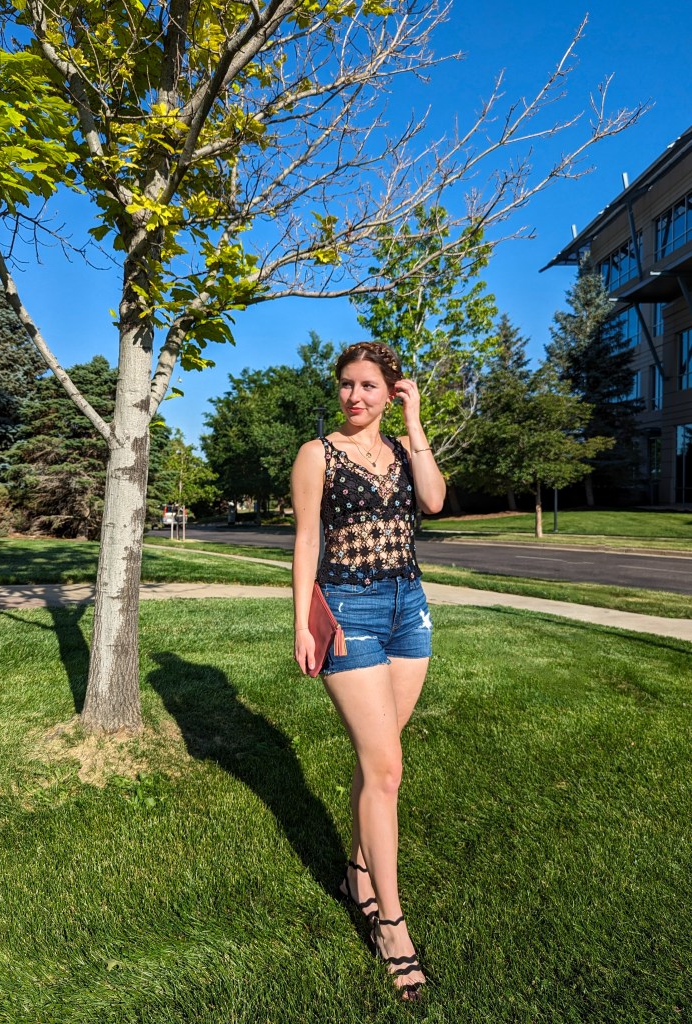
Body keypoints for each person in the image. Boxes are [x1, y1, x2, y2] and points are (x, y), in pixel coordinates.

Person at [291, 341, 446, 1001]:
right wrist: (302, 622)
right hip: (347, 608)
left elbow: (433, 502)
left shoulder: (403, 451)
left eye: (368, 386)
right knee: (385, 772)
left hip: (409, 608)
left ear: (390, 392)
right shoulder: (317, 454)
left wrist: (415, 424)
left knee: (378, 759)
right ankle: (392, 925)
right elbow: (306, 538)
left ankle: (358, 870)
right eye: (346, 384)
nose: (354, 396)